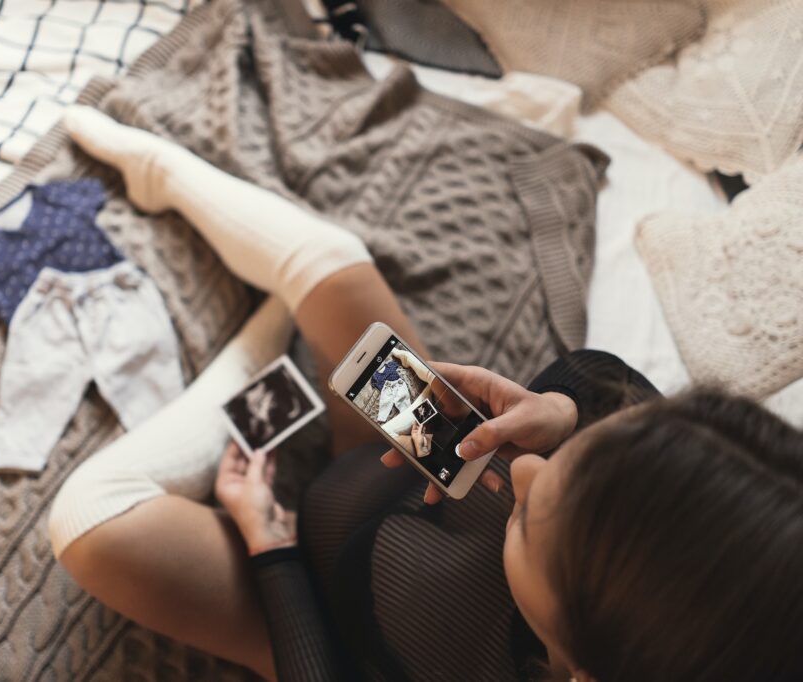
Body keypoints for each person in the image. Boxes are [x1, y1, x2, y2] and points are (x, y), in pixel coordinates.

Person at [49, 107, 803, 681]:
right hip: (381, 477)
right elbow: (607, 386)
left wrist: (271, 547)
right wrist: (570, 413)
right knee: (334, 259)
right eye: (581, 456)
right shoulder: (690, 528)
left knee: (89, 520)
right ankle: (255, 294)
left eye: (531, 519)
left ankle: (258, 346)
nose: (530, 471)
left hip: (317, 607)